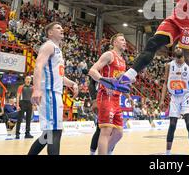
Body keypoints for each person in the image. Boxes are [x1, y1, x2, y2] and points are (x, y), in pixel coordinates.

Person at [28, 22, 78, 155]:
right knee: (55, 131)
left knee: (48, 134)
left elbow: (59, 76)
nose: (62, 29)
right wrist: (37, 89)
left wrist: (72, 83)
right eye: (58, 28)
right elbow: (38, 66)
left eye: (62, 28)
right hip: (49, 92)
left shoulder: (57, 49)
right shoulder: (49, 46)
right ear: (50, 33)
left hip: (55, 92)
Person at [88, 33, 129, 155]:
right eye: (122, 40)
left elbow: (120, 82)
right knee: (105, 131)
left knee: (119, 133)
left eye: (125, 39)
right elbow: (92, 70)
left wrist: (128, 95)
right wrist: (104, 81)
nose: (125, 42)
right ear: (114, 43)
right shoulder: (109, 55)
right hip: (105, 97)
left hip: (116, 99)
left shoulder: (122, 61)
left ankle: (105, 152)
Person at [159, 47, 189, 155]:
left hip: (186, 96)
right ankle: (168, 152)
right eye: (177, 59)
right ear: (174, 56)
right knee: (172, 124)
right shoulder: (169, 65)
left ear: (184, 56)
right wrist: (161, 100)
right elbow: (165, 83)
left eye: (180, 58)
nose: (178, 61)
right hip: (174, 96)